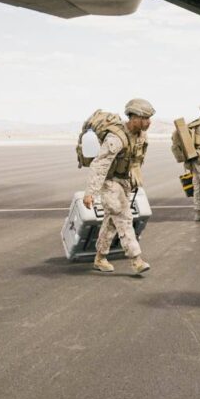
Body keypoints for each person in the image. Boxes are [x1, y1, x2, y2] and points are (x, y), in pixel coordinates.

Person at [83, 98, 154, 276]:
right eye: (145, 118)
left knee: (111, 221)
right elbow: (99, 165)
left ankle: (100, 257)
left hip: (123, 181)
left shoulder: (140, 136)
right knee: (123, 216)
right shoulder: (116, 138)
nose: (148, 122)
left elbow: (135, 161)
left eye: (149, 118)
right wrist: (90, 192)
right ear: (133, 117)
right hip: (109, 181)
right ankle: (136, 259)